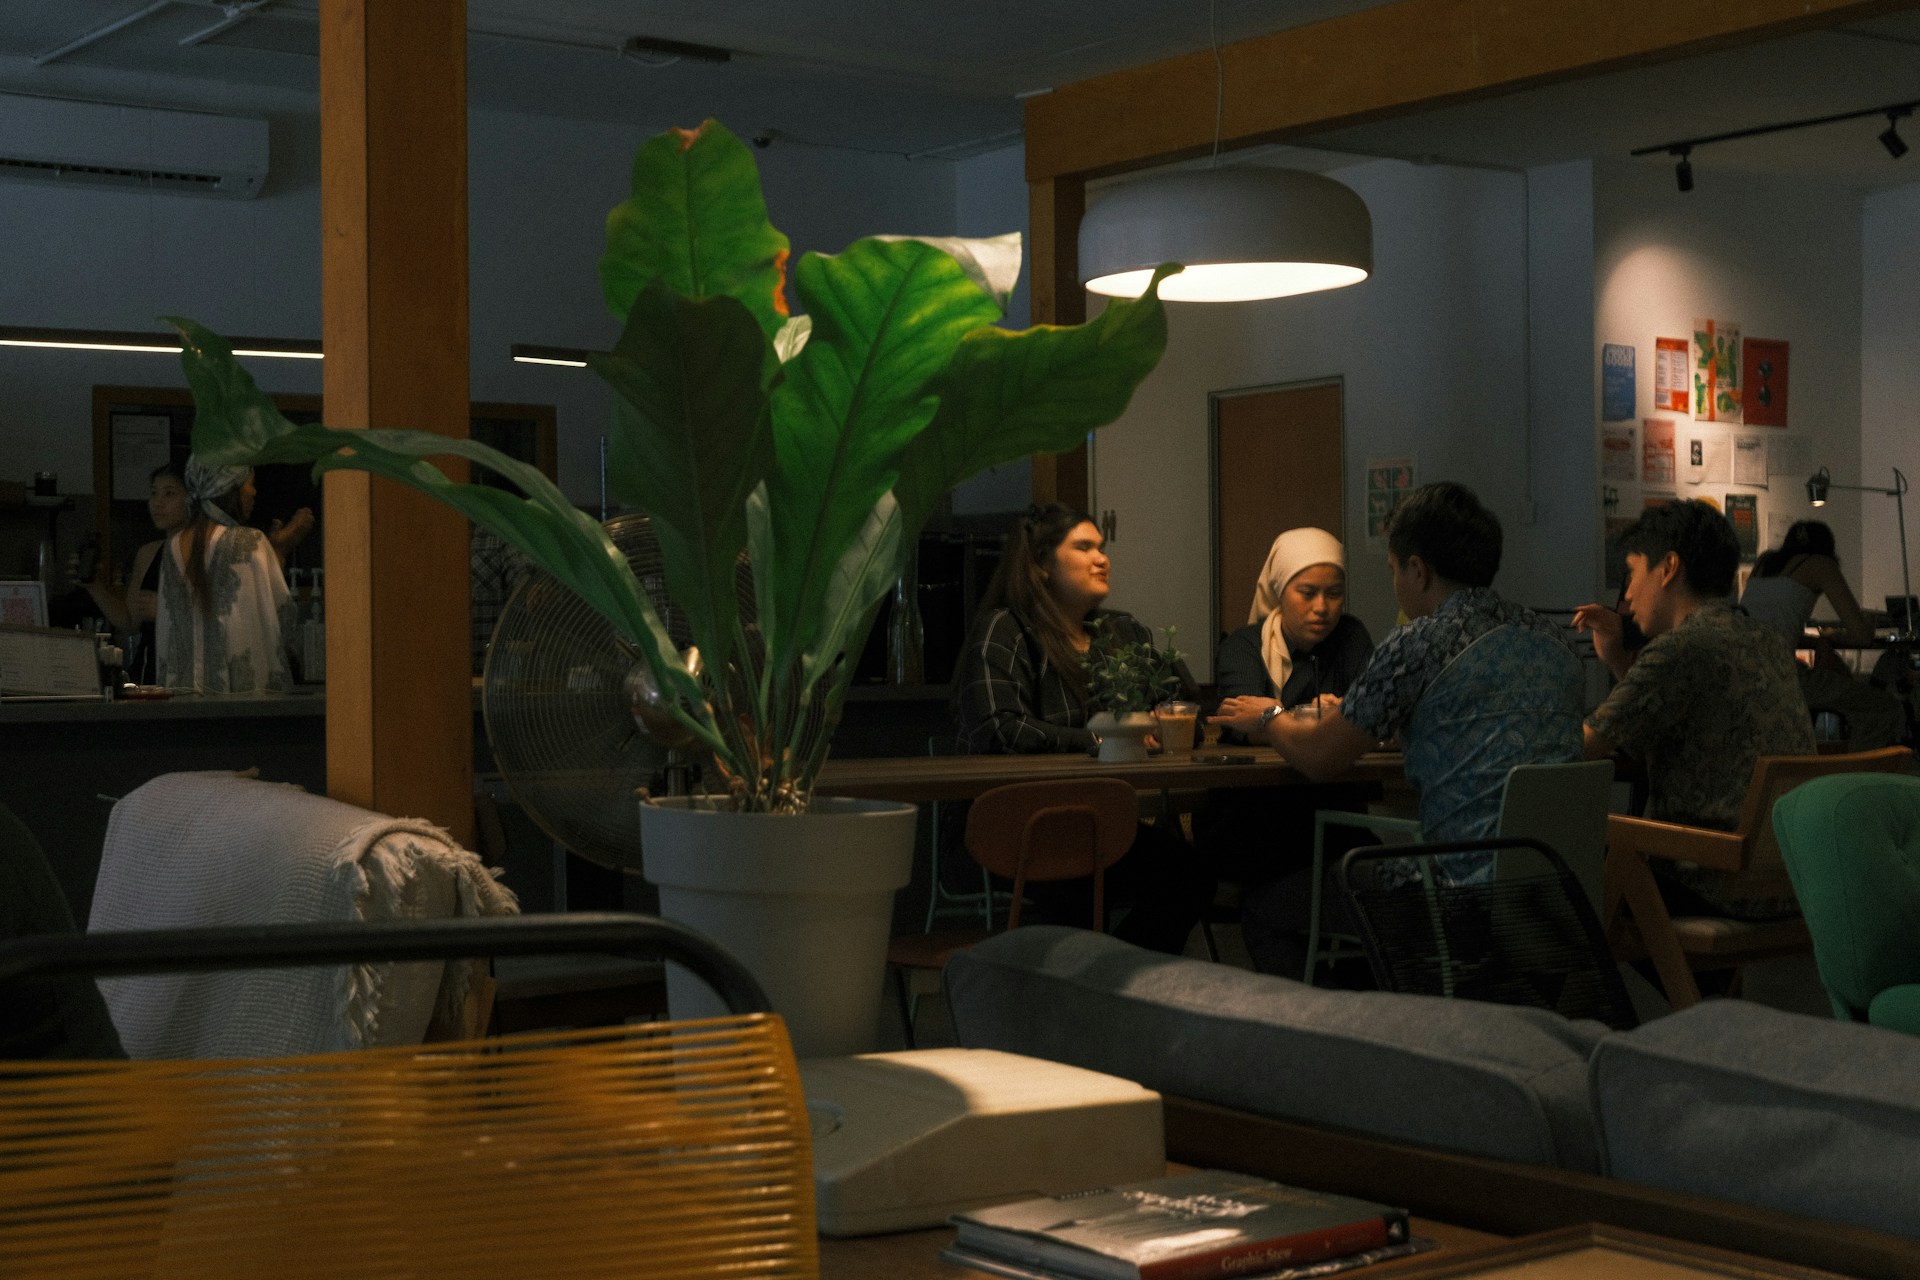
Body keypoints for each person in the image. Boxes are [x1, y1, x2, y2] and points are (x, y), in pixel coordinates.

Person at [1212, 482, 1583, 884]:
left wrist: (1269, 715)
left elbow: (1319, 758)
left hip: (1456, 889)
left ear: (1417, 570)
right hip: (1560, 890)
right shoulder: (1557, 641)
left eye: (1393, 570)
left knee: (1268, 908)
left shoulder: (1417, 644)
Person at [952, 503, 1209, 953]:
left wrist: (1169, 725)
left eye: (1103, 547)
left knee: (1191, 875)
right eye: (1084, 547)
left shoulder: (1121, 632)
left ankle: (1111, 983)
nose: (1102, 558)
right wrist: (1103, 740)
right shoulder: (1007, 628)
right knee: (1076, 897)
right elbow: (998, 730)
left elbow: (1188, 713)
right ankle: (1097, 986)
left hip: (1097, 824)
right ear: (1041, 565)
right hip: (1018, 829)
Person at [1576, 499, 1815, 920]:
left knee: (1552, 884)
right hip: (1790, 880)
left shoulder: (1682, 647)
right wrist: (1619, 659)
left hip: (1713, 881)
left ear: (1668, 568)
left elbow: (1582, 748)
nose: (1627, 597)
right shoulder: (1765, 639)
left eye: (1632, 573)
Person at [1198, 528, 1376, 975]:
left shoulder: (1352, 638)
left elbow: (1373, 719)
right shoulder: (1243, 644)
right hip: (1253, 815)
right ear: (1280, 590)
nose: (1322, 607)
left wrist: (1273, 714)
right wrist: (1323, 715)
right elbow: (1240, 723)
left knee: (1368, 866)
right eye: (1308, 592)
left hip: (1331, 812)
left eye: (1334, 594)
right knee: (1276, 879)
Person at [1740, 520, 1904, 749]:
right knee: (1882, 708)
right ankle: (1858, 775)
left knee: (1840, 681)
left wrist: (1819, 641)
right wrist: (1868, 622)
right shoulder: (1821, 564)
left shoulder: (1765, 563)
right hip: (1783, 677)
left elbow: (1771, 630)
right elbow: (1862, 637)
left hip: (1745, 673)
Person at [155, 457, 296, 694]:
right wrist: (280, 551)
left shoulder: (172, 546)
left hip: (182, 701)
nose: (253, 491)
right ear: (229, 490)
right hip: (243, 704)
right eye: (249, 484)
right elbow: (283, 618)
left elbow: (165, 630)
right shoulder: (250, 542)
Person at [80, 464, 191, 684]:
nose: (158, 503)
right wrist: (94, 585)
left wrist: (167, 609)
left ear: (192, 499)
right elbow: (130, 621)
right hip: (149, 668)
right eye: (153, 493)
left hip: (190, 670)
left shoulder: (204, 551)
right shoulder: (148, 553)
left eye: (169, 493)